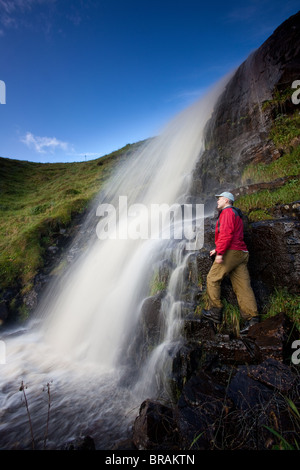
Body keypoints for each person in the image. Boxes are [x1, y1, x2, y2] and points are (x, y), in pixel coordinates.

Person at [202, 191, 259, 334]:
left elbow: (226, 233)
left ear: (227, 200)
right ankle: (252, 319)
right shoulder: (236, 214)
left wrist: (220, 253)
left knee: (212, 278)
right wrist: (217, 249)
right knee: (243, 287)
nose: (217, 201)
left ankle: (215, 311)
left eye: (219, 198)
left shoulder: (227, 213)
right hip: (242, 253)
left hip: (231, 253)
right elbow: (233, 235)